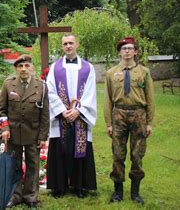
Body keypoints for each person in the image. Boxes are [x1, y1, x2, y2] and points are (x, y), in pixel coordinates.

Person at [46, 33, 98, 198]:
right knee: (59, 150)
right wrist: (62, 110)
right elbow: (50, 90)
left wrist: (78, 111)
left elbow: (90, 92)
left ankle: (79, 186)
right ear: (62, 47)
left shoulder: (88, 68)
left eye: (71, 43)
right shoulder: (55, 67)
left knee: (79, 149)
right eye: (65, 44)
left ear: (77, 44)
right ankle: (59, 187)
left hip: (80, 117)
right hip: (61, 116)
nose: (68, 46)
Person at [104, 36, 154, 205]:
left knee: (137, 154)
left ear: (135, 52)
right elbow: (107, 100)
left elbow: (150, 98)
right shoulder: (111, 73)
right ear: (119, 52)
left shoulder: (144, 72)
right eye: (124, 48)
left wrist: (149, 122)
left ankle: (135, 193)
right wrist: (109, 123)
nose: (127, 51)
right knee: (118, 154)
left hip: (138, 115)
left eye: (130, 48)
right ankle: (117, 192)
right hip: (119, 115)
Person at [0, 54, 49, 208]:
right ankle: (15, 195)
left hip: (33, 133)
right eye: (20, 66)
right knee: (15, 164)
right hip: (13, 133)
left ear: (31, 67)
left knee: (33, 165)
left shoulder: (42, 86)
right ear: (16, 69)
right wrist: (4, 128)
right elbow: (1, 110)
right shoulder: (8, 85)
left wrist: (43, 136)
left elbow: (45, 114)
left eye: (26, 66)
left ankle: (31, 196)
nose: (24, 69)